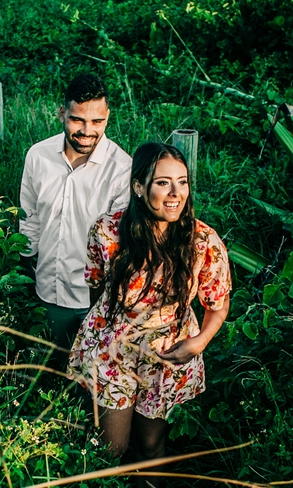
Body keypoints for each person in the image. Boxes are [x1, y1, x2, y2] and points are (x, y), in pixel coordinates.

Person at [69, 142, 231, 461]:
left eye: (182, 182)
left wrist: (199, 342)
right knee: (109, 449)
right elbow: (96, 290)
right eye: (162, 182)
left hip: (167, 354)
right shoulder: (107, 232)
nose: (175, 193)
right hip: (114, 351)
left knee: (151, 447)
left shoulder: (202, 241)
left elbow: (218, 303)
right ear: (139, 187)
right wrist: (102, 334)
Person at [19, 74, 132, 367]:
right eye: (77, 120)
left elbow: (120, 243)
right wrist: (26, 270)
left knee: (92, 381)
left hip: (96, 302)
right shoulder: (38, 156)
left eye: (97, 122)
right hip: (46, 291)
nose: (87, 131)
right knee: (48, 374)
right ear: (62, 113)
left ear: (108, 117)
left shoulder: (122, 169)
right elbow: (29, 219)